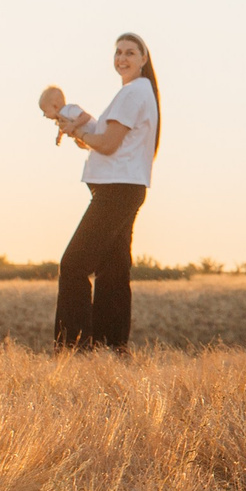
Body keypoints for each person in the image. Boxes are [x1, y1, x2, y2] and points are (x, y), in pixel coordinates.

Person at [49, 33, 161, 351]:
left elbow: (108, 145)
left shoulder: (133, 94)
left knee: (73, 265)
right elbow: (104, 140)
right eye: (118, 53)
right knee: (112, 271)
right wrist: (79, 132)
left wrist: (80, 130)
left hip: (116, 190)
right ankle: (111, 348)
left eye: (130, 52)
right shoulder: (138, 92)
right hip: (126, 187)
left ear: (143, 59)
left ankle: (72, 349)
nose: (122, 58)